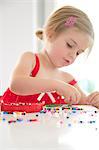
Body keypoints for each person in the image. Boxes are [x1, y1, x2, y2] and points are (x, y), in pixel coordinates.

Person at [0, 5, 99, 112]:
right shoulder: (31, 59)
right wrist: (56, 85)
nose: (73, 56)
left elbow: (86, 104)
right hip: (10, 128)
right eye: (70, 45)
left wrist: (95, 101)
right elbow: (16, 84)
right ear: (51, 33)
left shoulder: (68, 80)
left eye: (78, 53)